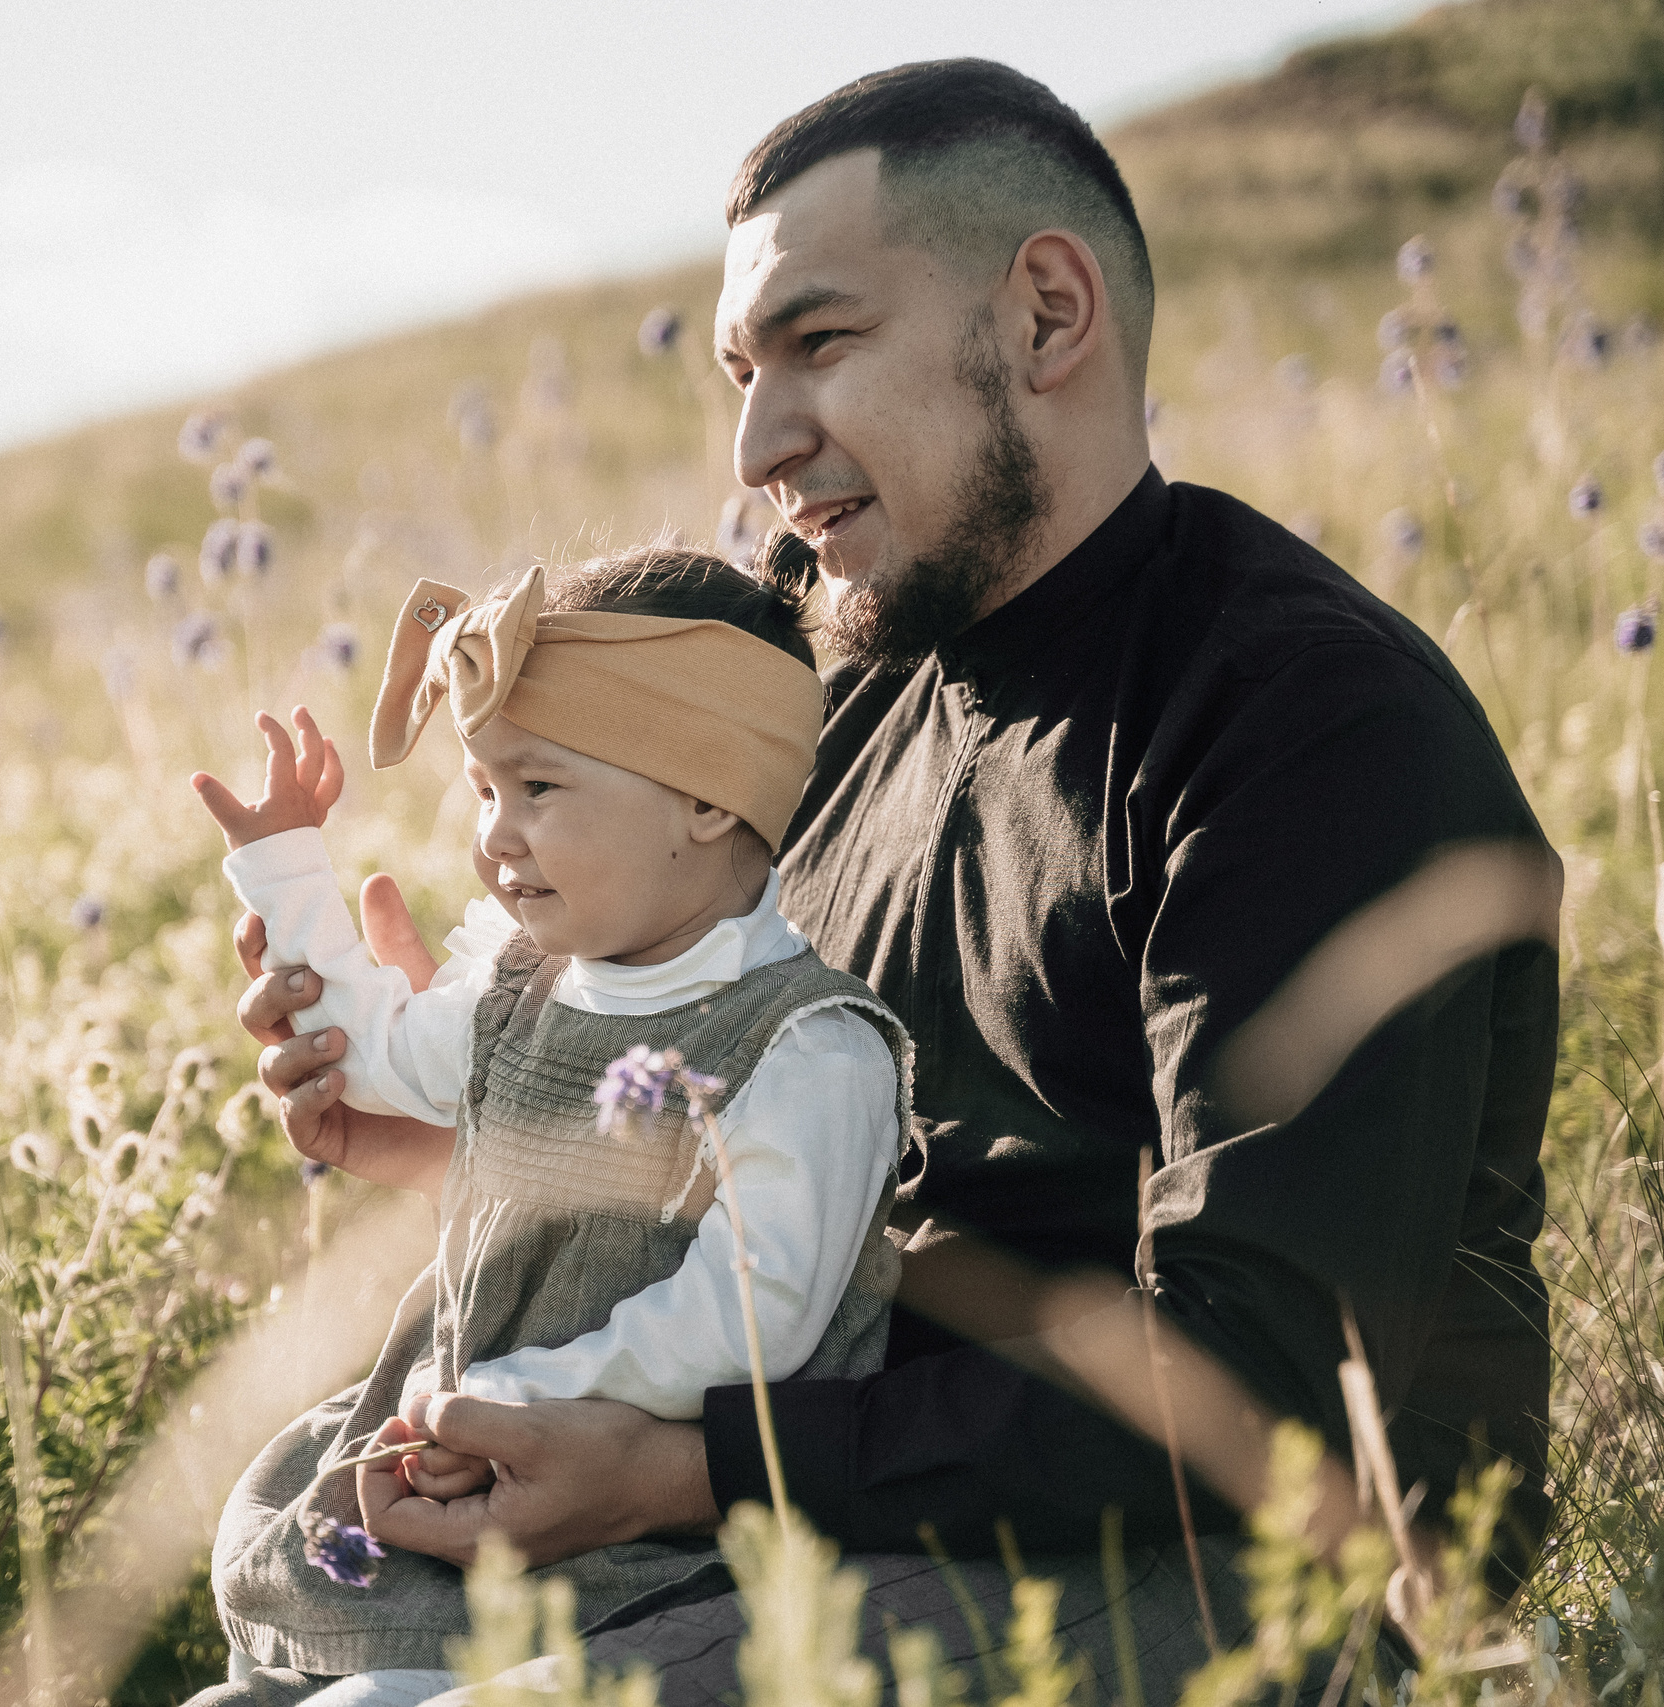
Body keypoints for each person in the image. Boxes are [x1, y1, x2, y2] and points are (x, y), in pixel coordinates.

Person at [213, 57, 1560, 1707]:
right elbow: (789, 1173)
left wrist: (691, 1469)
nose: (761, 440)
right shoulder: (821, 692)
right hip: (811, 1500)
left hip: (1217, 1582)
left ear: (1048, 316)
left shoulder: (1302, 724)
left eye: (819, 345)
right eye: (736, 369)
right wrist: (488, 1126)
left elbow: (1259, 1389)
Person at [190, 549, 913, 1707]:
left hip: (640, 1540)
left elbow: (750, 1316)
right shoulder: (518, 980)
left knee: (378, 1697)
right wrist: (286, 875)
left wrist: (527, 1397)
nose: (493, 836)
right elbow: (370, 1056)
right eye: (482, 789)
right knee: (278, 1634)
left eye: (537, 789)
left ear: (706, 798)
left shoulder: (805, 1047)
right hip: (459, 1470)